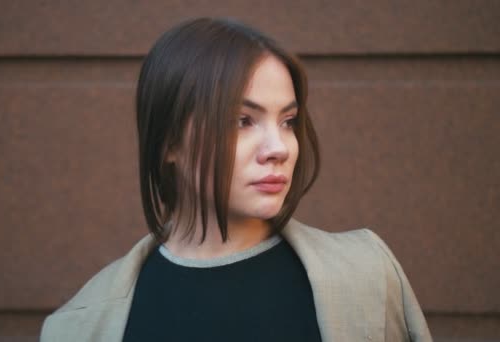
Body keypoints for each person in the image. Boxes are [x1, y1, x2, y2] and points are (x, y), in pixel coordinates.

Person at [40, 17, 432, 342]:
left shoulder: (368, 278)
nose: (278, 147)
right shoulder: (77, 327)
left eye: (288, 121)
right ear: (169, 142)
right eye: (242, 121)